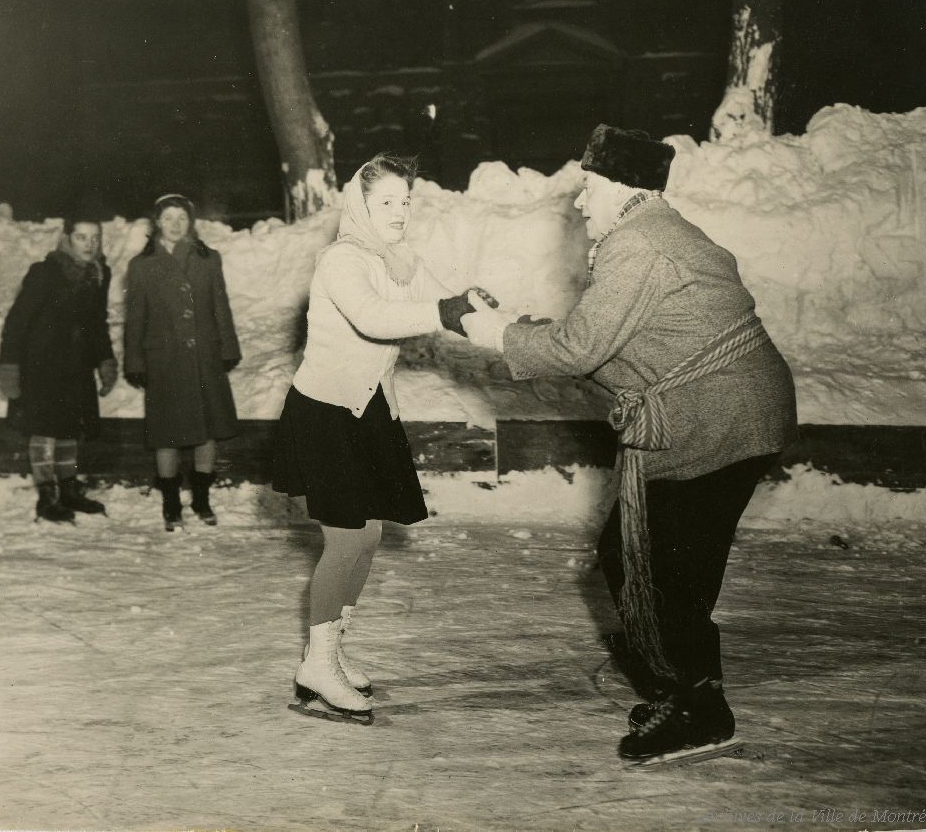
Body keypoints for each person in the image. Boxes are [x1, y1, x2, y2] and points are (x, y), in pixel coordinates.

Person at [462, 125, 797, 766]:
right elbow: (620, 349)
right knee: (652, 560)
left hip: (717, 421)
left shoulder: (638, 245)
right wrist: (517, 329)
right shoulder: (656, 233)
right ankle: (684, 689)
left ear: (620, 185)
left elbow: (582, 349)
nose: (583, 204)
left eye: (589, 187)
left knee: (656, 565)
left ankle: (700, 710)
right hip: (728, 414)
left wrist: (489, 330)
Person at [272, 153, 497, 725]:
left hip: (367, 412)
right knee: (346, 539)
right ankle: (318, 663)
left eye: (405, 201)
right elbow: (374, 317)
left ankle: (325, 652)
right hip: (324, 416)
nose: (398, 212)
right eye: (387, 203)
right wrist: (443, 309)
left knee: (367, 536)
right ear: (362, 206)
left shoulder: (398, 258)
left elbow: (446, 304)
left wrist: (497, 322)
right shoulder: (340, 260)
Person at [123, 194, 242, 531]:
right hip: (164, 360)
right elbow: (135, 318)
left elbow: (221, 306)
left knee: (208, 432)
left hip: (204, 357)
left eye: (181, 218)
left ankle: (202, 499)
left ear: (190, 222)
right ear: (156, 223)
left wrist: (228, 347)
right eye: (168, 218)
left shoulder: (208, 259)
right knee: (167, 434)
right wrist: (134, 360)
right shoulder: (141, 265)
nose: (175, 224)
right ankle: (171, 502)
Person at [0, 212, 118, 522]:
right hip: (41, 364)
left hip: (76, 365)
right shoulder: (45, 272)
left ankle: (68, 489)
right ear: (66, 239)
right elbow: (17, 322)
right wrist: (9, 367)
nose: (89, 244)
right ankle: (47, 496)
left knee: (70, 427)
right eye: (81, 237)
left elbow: (96, 323)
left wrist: (105, 360)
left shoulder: (99, 273)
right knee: (44, 429)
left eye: (95, 238)